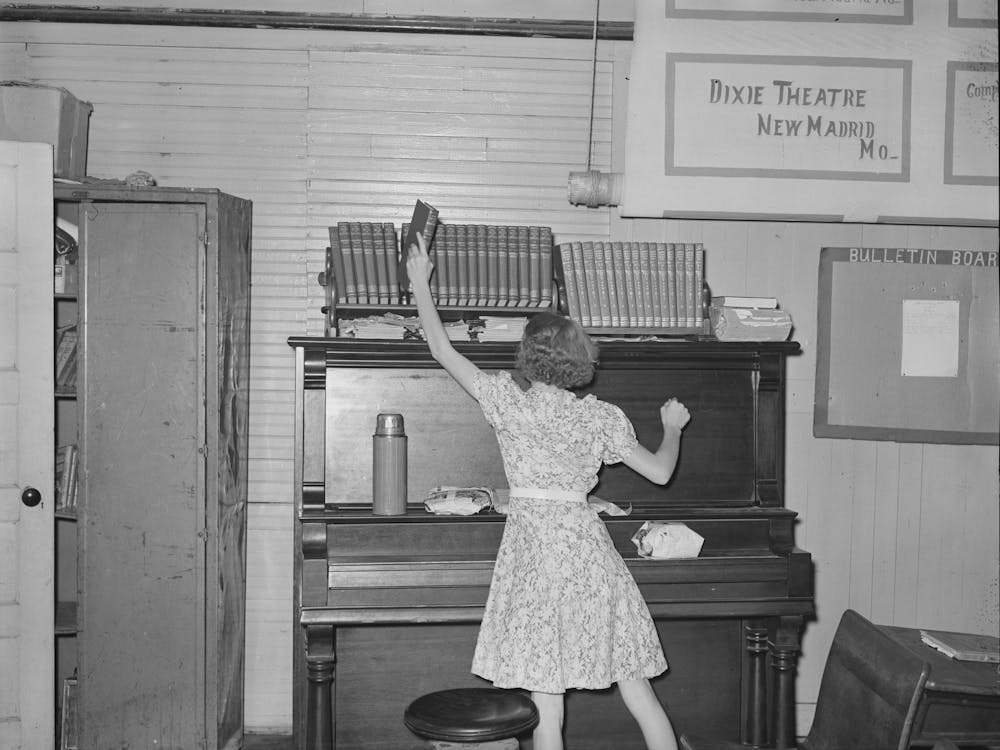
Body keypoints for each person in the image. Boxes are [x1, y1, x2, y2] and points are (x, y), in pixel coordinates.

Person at [406, 232, 690, 750]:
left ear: (526, 357)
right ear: (579, 361)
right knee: (637, 687)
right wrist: (671, 426)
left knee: (547, 707)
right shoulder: (600, 417)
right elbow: (660, 473)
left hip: (535, 560)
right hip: (588, 557)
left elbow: (441, 348)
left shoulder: (506, 402)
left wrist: (420, 283)